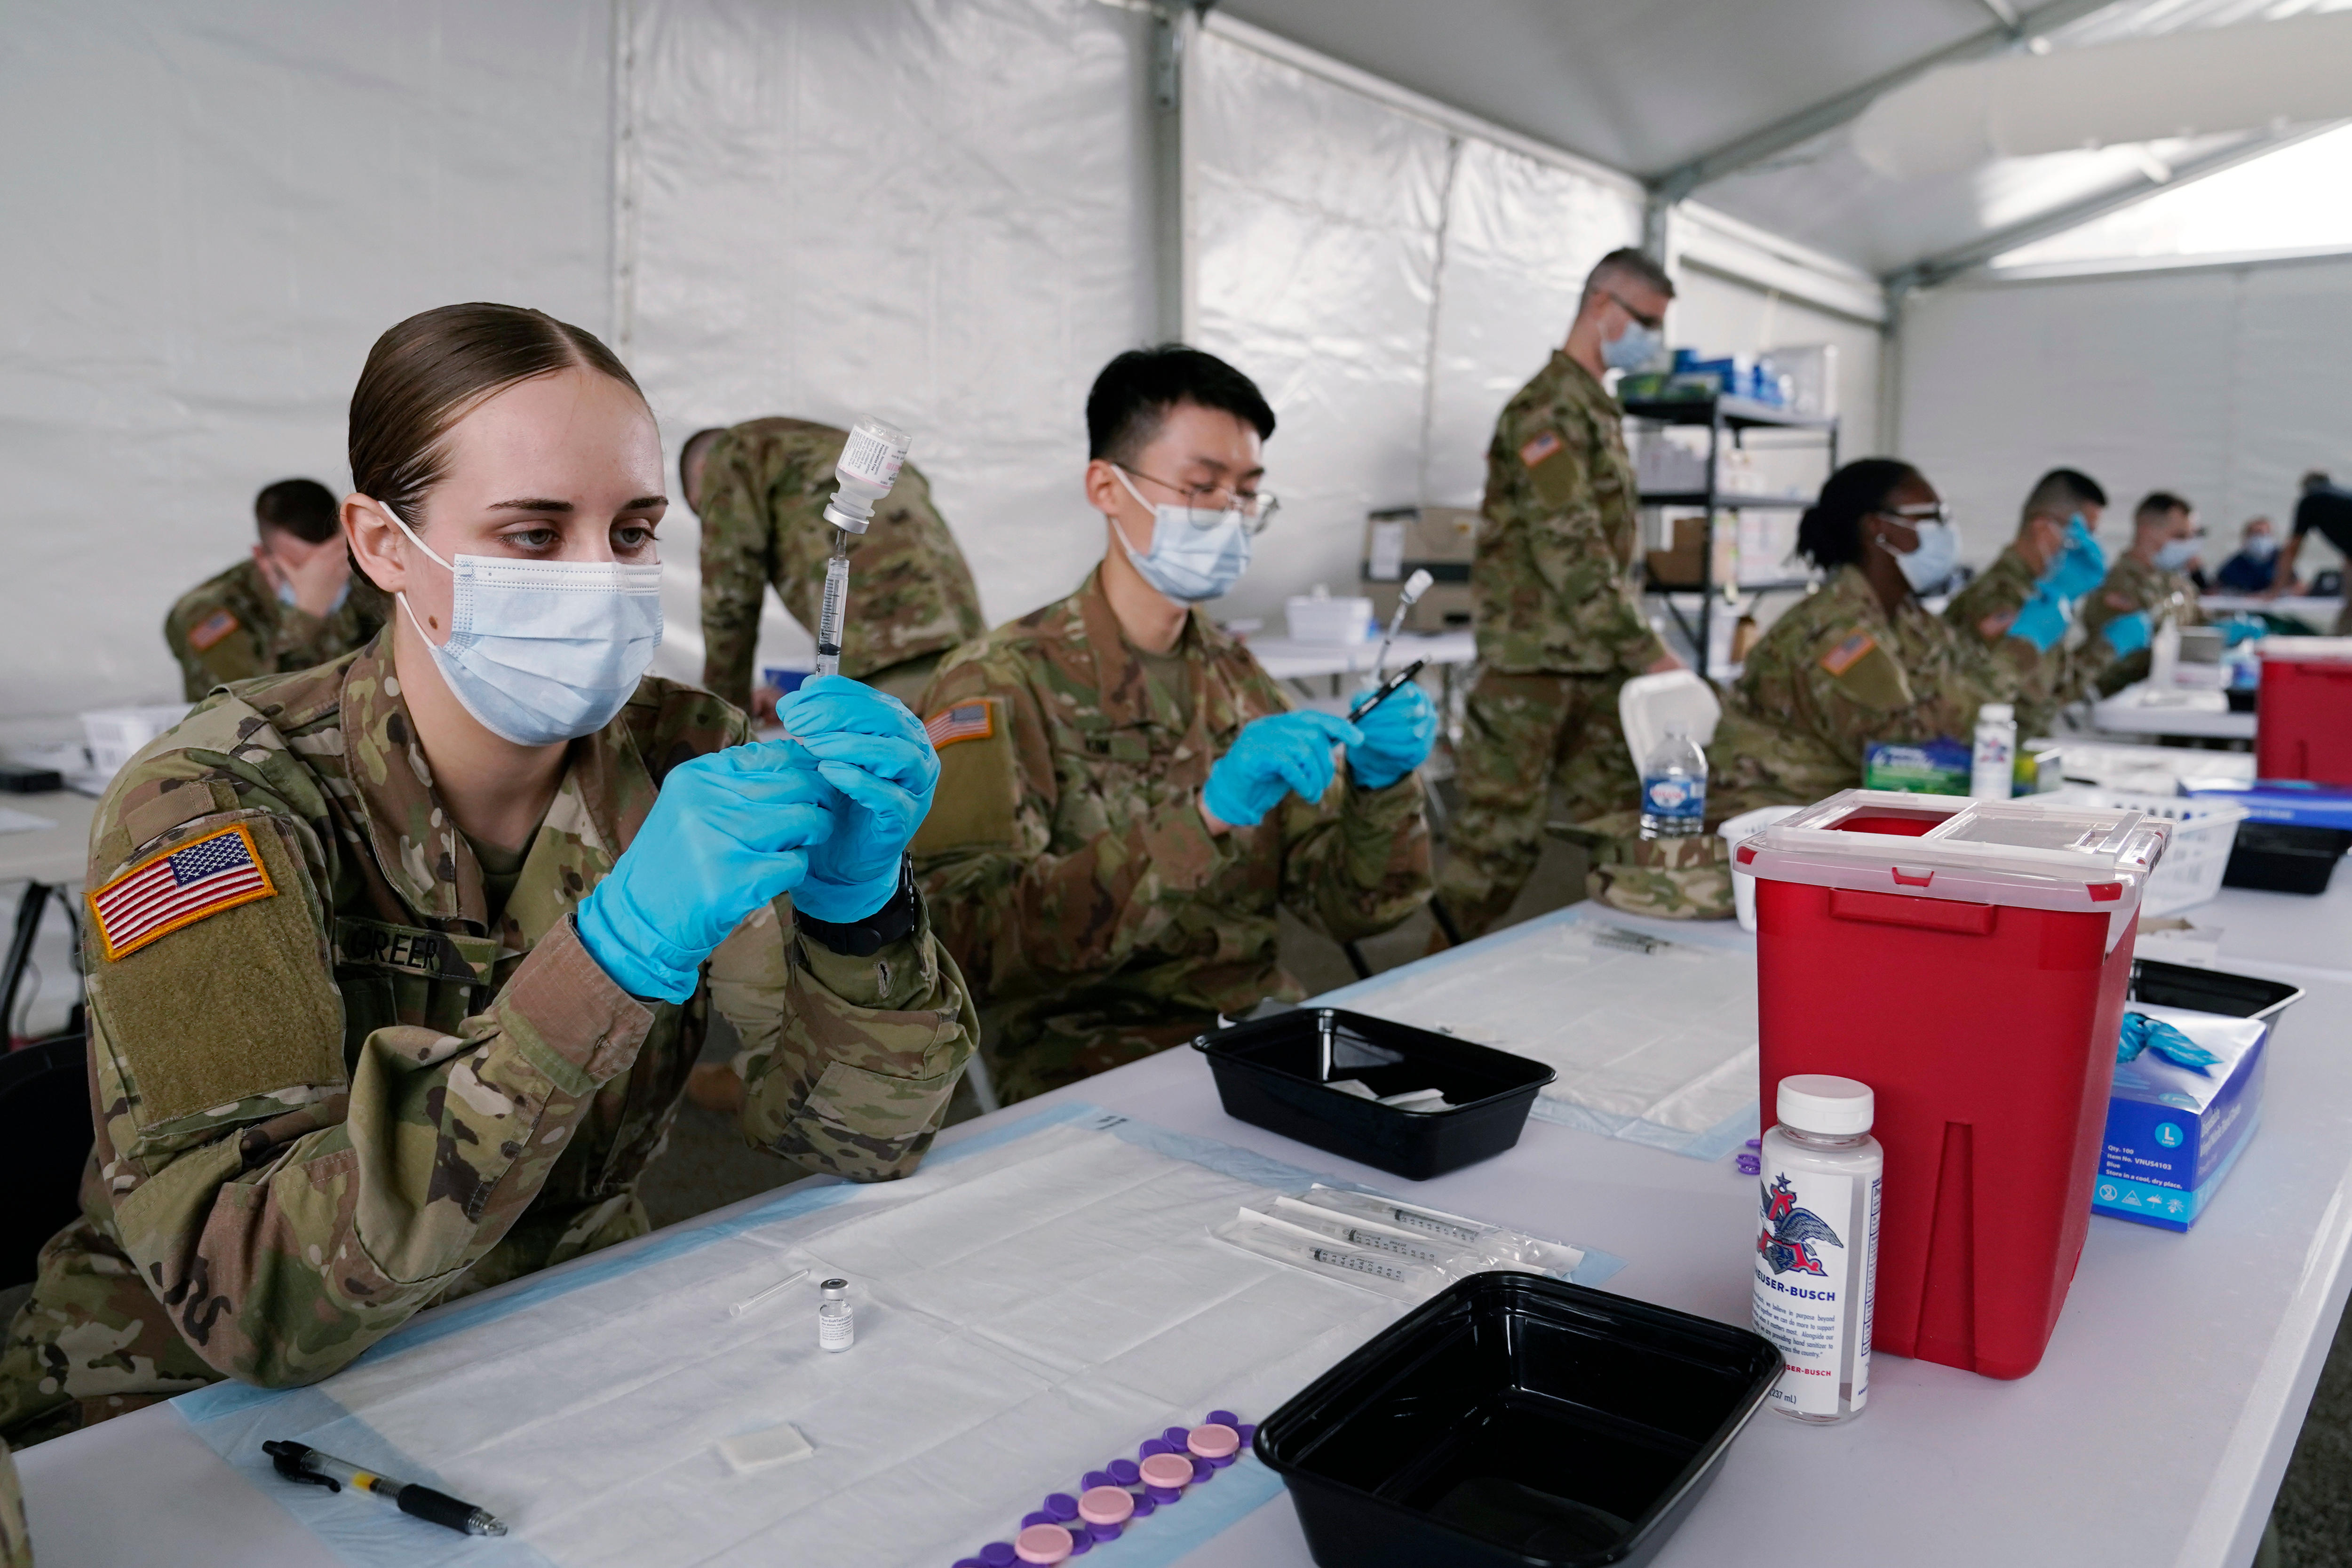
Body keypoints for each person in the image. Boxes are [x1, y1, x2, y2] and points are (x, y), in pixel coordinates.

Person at [0, 303, 974, 1448]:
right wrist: (607, 960)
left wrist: (856, 913)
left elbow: (865, 1138)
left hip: (555, 1337)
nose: (601, 579)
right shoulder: (214, 803)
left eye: (632, 533)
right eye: (531, 534)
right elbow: (256, 1294)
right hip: (194, 1420)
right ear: (380, 544)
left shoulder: (686, 759)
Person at [910, 346, 1434, 1104]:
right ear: (1107, 488)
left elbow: (1345, 908)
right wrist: (1206, 819)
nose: (1230, 515)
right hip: (1091, 1057)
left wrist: (1382, 790)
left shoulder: (1240, 679)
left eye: (1247, 492)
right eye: (1200, 487)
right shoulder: (999, 684)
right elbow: (969, 943)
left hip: (1254, 1032)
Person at [1434, 247, 1685, 939]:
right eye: (1645, 321)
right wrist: (1647, 648)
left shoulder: (1594, 408)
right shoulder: (1546, 408)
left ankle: (1625, 968)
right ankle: (1421, 992)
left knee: (1621, 827)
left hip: (1594, 665)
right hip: (1533, 670)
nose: (1652, 341)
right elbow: (1569, 546)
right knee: (1495, 851)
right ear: (1602, 306)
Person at [1712, 460, 2018, 814]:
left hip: (1838, 811)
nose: (1946, 531)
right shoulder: (1834, 631)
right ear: (1879, 528)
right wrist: (2017, 653)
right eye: (1931, 517)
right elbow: (1903, 752)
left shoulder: (1905, 618)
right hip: (1777, 820)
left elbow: (1964, 694)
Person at [685, 418, 986, 714]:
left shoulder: (729, 455)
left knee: (903, 755)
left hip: (887, 648)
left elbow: (729, 593)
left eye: (705, 508)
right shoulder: (822, 445)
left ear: (702, 471)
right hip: (969, 640)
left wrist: (724, 716)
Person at [163, 478, 388, 701]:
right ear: (263, 558)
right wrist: (307, 615)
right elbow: (247, 707)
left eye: (336, 561)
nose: (325, 577)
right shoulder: (209, 611)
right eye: (302, 569)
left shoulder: (371, 577)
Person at [1942, 467, 2111, 732]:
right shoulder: (2000, 597)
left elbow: (2056, 688)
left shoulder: (2040, 594)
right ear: (2044, 530)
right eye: (2084, 534)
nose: (2092, 547)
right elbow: (2016, 704)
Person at [2078, 491, 2205, 692]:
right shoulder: (2117, 585)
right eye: (2180, 536)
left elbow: (2197, 621)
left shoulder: (2174, 581)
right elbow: (2122, 663)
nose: (2188, 545)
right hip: (2122, 700)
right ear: (2147, 531)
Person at [2270, 471, 2352, 632]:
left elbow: (2293, 547)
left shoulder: (2312, 500)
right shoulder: (2344, 496)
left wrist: (2277, 589)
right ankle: (2337, 642)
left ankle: (2336, 644)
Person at [2214, 517, 2282, 594]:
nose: (2262, 539)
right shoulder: (2236, 564)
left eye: (2267, 534)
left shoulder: (2281, 561)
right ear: (2247, 538)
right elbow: (2215, 588)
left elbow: (2296, 587)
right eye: (2258, 534)